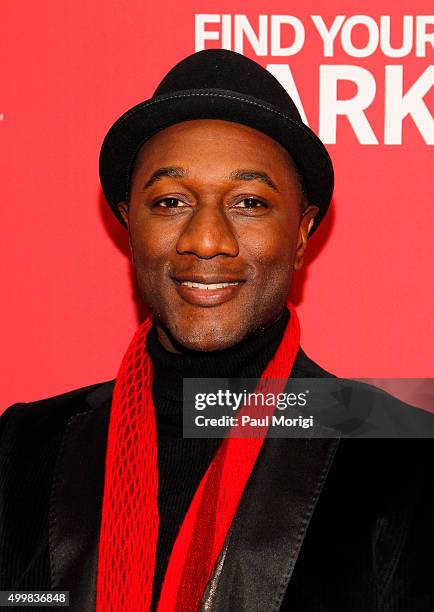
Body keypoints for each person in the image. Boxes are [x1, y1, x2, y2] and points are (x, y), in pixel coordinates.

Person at [1, 50, 433, 612]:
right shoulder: (24, 446)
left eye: (250, 203)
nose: (206, 239)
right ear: (131, 223)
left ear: (301, 233)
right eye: (171, 201)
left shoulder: (398, 450)